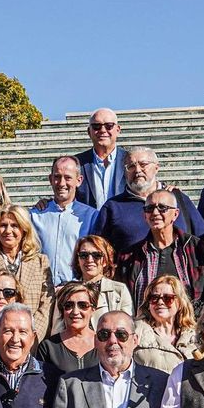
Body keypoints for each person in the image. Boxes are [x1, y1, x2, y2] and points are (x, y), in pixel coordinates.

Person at [92, 147, 204, 255]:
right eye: (131, 166)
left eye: (143, 164)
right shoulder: (113, 207)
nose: (137, 170)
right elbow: (98, 248)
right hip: (132, 269)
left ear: (156, 168)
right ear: (124, 172)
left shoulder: (178, 199)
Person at [116, 188, 204, 305]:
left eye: (162, 207)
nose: (155, 212)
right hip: (146, 316)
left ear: (175, 214)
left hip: (191, 316)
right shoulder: (129, 256)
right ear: (145, 216)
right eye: (150, 208)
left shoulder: (196, 249)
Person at [0, 205, 53, 335]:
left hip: (32, 337)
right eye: (3, 225)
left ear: (24, 229)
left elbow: (46, 306)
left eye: (14, 226)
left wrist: (30, 335)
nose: (8, 231)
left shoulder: (40, 262)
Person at [30, 156, 99, 285]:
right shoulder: (34, 216)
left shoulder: (91, 217)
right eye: (57, 177)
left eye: (68, 177)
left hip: (77, 289)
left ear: (79, 180)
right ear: (50, 179)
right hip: (41, 289)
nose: (62, 183)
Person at [132, 274, 201, 374]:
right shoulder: (135, 331)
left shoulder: (195, 335)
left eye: (167, 298)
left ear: (180, 303)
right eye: (154, 298)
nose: (160, 302)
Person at [35, 280, 101, 377]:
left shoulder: (104, 343)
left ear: (93, 309)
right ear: (62, 309)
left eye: (83, 305)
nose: (75, 311)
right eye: (68, 305)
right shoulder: (48, 347)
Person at [74, 108, 127, 209]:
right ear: (89, 131)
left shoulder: (130, 161)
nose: (103, 130)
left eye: (109, 126)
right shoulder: (77, 163)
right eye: (96, 126)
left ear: (118, 130)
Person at [71, 233, 133, 317]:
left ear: (105, 261)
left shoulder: (119, 290)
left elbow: (127, 322)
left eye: (97, 255)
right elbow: (58, 324)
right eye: (84, 255)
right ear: (78, 260)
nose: (90, 260)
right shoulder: (68, 291)